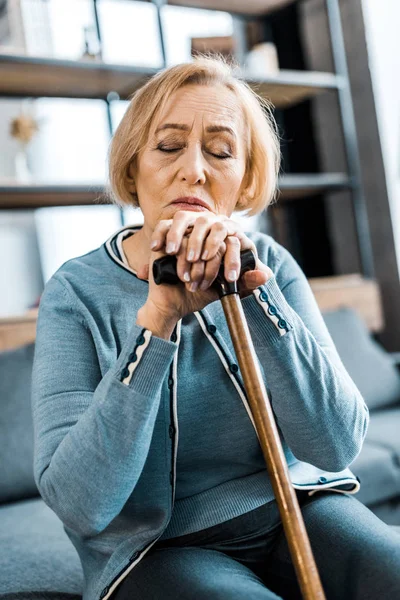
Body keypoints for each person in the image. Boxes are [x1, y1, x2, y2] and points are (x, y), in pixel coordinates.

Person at [31, 55, 400, 600]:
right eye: (168, 145)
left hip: (294, 505)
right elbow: (81, 504)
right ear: (133, 167)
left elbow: (336, 443)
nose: (196, 171)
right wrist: (157, 321)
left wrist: (257, 295)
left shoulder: (270, 264)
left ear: (244, 179)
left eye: (221, 151)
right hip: (159, 549)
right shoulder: (75, 292)